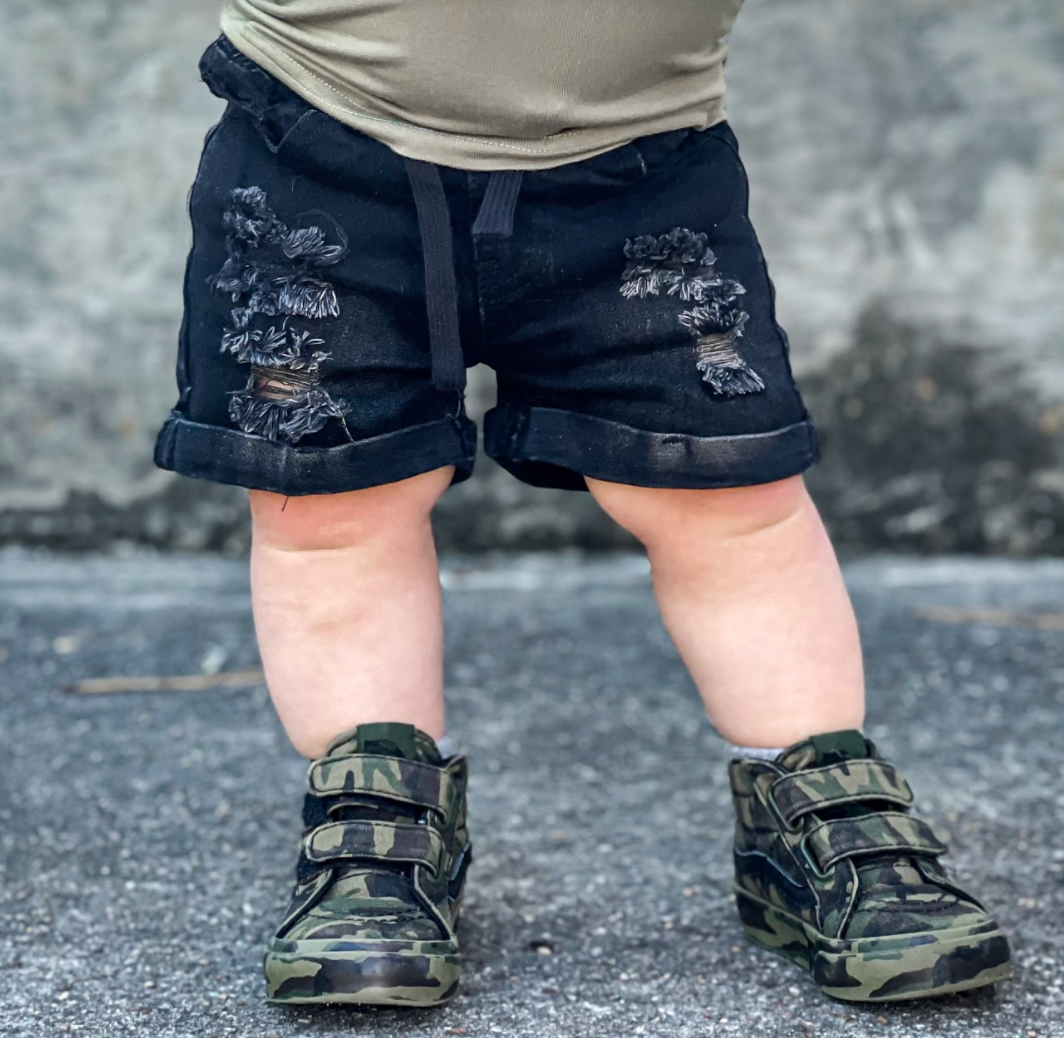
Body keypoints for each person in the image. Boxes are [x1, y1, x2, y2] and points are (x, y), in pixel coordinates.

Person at [155, 0, 1012, 1007]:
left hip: (639, 169)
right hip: (317, 146)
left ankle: (809, 800)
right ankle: (375, 830)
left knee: (725, 497)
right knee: (335, 506)